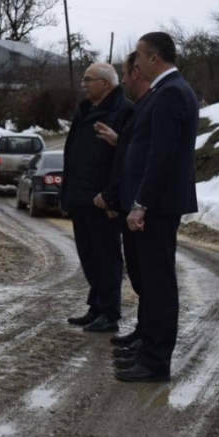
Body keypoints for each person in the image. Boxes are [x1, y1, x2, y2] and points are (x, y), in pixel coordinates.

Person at [112, 32, 199, 383]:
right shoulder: (166, 92)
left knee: (160, 285)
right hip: (157, 204)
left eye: (140, 55)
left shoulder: (172, 93)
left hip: (159, 207)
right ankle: (148, 348)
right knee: (152, 280)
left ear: (154, 58)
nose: (136, 62)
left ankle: (156, 361)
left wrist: (141, 203)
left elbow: (161, 156)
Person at [62, 62, 134, 333]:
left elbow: (125, 162)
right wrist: (67, 195)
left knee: (107, 258)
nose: (83, 84)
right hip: (81, 198)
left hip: (103, 202)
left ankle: (110, 312)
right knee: (89, 257)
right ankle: (96, 306)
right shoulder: (85, 112)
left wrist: (112, 197)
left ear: (105, 83)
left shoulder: (124, 111)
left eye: (88, 79)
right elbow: (72, 155)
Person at [95, 52, 149, 356]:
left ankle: (151, 344)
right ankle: (143, 333)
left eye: (127, 73)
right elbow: (132, 155)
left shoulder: (150, 104)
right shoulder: (142, 106)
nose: (125, 79)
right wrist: (120, 141)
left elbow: (150, 160)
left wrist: (124, 199)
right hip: (131, 201)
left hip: (143, 205)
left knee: (150, 279)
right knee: (141, 277)